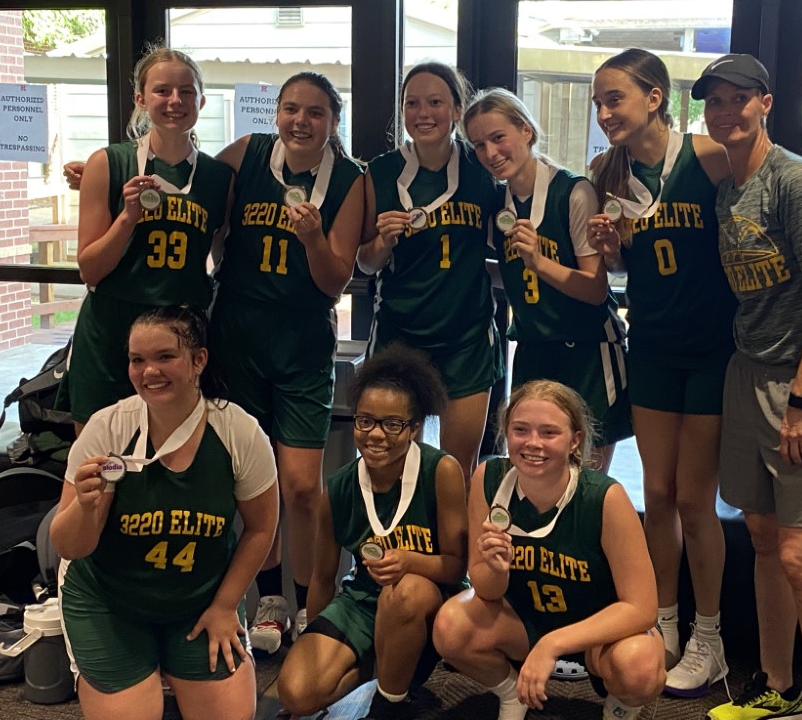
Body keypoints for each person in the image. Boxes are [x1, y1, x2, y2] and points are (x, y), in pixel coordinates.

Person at [692, 54, 802, 720]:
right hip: (751, 370)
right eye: (714, 101)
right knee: (764, 538)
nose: (725, 111)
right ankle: (780, 690)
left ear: (765, 103)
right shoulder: (729, 189)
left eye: (738, 98)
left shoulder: (793, 181)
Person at [586, 48, 735, 696]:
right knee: (658, 492)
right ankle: (663, 621)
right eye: (598, 102)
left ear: (655, 98)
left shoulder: (709, 157)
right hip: (650, 345)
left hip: (711, 350)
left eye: (614, 98)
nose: (604, 113)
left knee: (696, 499)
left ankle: (711, 637)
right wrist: (612, 251)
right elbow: (629, 263)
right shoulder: (606, 170)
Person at [50, 305, 279, 720]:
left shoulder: (239, 431)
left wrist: (226, 606)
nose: (149, 371)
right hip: (110, 601)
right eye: (137, 360)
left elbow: (262, 527)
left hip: (200, 602)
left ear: (198, 360)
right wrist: (85, 505)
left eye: (164, 356)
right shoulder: (108, 428)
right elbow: (69, 546)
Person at [209, 71, 365, 653]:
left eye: (316, 112)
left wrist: (315, 241)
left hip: (302, 341)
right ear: (276, 113)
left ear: (333, 121)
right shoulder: (247, 154)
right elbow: (190, 195)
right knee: (254, 478)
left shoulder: (349, 179)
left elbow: (335, 281)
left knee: (301, 485)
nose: (301, 121)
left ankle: (311, 597)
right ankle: (271, 598)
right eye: (291, 109)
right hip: (239, 335)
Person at [432, 379, 664, 720]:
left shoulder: (605, 497)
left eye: (549, 432)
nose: (533, 443)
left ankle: (620, 709)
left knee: (640, 666)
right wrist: (496, 569)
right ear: (506, 433)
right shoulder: (489, 478)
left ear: (575, 441)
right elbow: (485, 589)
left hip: (596, 633)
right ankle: (513, 694)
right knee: (450, 626)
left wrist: (552, 644)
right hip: (524, 622)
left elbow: (642, 609)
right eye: (520, 430)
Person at [277, 342, 467, 720]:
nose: (376, 434)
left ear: (414, 428)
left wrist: (410, 562)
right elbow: (323, 578)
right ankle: (382, 666)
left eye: (392, 424)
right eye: (365, 420)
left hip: (426, 601)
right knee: (296, 693)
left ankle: (389, 704)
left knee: (405, 592)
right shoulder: (339, 488)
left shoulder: (441, 470)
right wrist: (314, 639)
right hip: (362, 601)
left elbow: (456, 567)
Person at [59, 46, 234, 433]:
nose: (175, 101)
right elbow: (90, 270)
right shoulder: (108, 162)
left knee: (170, 451)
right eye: (162, 91)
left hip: (178, 329)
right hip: (112, 326)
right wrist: (127, 218)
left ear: (201, 101)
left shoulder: (219, 177)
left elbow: (220, 255)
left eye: (186, 92)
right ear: (141, 99)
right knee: (101, 455)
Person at [462, 87, 630, 473]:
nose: (490, 153)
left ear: (527, 131)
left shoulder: (573, 191)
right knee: (535, 476)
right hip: (533, 348)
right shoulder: (497, 202)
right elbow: (512, 273)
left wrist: (538, 262)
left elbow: (595, 289)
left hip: (587, 350)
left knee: (585, 482)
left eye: (498, 137)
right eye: (479, 145)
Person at [358, 61, 505, 481]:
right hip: (400, 334)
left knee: (457, 470)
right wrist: (383, 242)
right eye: (412, 103)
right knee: (395, 466)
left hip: (466, 338)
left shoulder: (481, 168)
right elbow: (365, 262)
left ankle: (454, 531)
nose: (423, 113)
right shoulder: (381, 171)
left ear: (457, 110)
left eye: (436, 102)